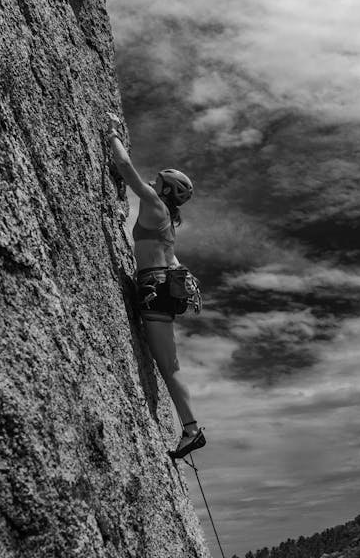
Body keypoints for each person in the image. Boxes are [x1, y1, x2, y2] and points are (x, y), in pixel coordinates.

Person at [104, 112, 206, 459]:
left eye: (157, 180)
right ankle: (190, 426)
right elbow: (172, 259)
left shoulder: (152, 203)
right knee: (168, 363)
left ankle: (192, 429)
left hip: (153, 288)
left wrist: (113, 132)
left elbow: (123, 165)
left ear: (163, 189)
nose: (152, 180)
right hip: (161, 288)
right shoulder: (168, 221)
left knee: (167, 365)